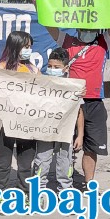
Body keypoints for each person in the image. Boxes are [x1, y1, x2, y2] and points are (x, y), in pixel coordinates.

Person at [30, 0, 110, 186]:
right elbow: (49, 23)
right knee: (65, 145)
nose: (87, 30)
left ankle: (89, 183)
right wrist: (37, 1)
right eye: (83, 26)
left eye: (90, 26)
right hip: (69, 102)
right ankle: (63, 180)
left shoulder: (104, 42)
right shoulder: (68, 41)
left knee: (91, 148)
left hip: (94, 102)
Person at [0, 31, 40, 210]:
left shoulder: (33, 70)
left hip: (27, 124)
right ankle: (1, 195)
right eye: (26, 47)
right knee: (4, 162)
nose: (29, 50)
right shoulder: (1, 68)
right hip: (5, 124)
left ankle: (25, 194)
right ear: (15, 46)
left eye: (30, 47)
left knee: (25, 163)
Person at [33, 48, 85, 195]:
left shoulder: (73, 87)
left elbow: (79, 112)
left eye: (56, 67)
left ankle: (66, 194)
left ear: (66, 68)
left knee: (65, 164)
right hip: (45, 131)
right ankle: (38, 193)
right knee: (41, 161)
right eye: (49, 66)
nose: (52, 69)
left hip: (65, 133)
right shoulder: (42, 83)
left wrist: (80, 135)